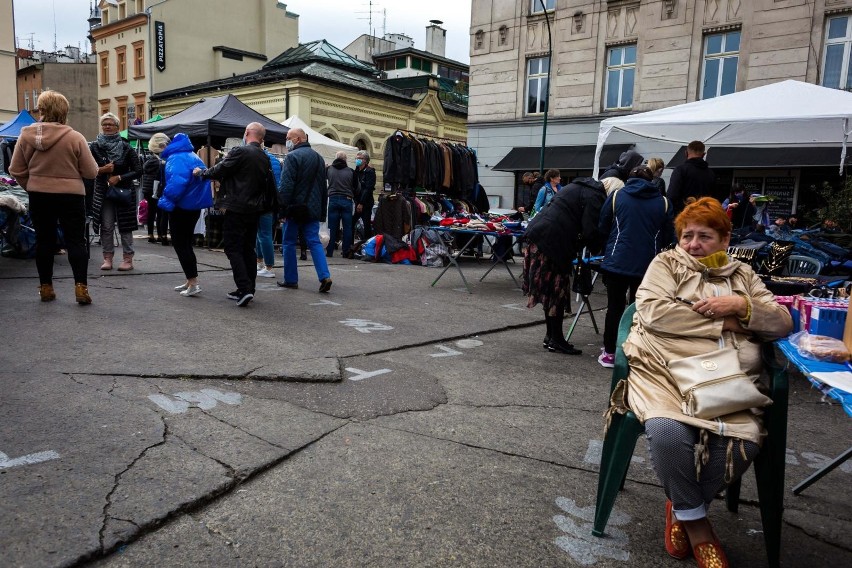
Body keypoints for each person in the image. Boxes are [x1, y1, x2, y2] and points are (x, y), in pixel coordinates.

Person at [608, 197, 792, 567]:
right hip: (665, 372)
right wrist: (724, 321)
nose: (693, 244)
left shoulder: (744, 276)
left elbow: (782, 322)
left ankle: (681, 508)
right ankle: (698, 527)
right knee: (666, 431)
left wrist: (742, 306)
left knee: (742, 441)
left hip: (729, 381)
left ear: (725, 239)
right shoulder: (667, 263)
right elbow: (654, 312)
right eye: (686, 235)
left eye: (704, 236)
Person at [8, 90, 99, 304]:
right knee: (76, 241)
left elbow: (16, 169)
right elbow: (91, 172)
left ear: (41, 110)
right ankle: (80, 288)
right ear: (64, 111)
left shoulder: (25, 136)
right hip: (71, 196)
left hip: (40, 195)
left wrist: (31, 185)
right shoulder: (75, 137)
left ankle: (46, 288)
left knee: (44, 242)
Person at [597, 165, 673, 368]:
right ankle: (635, 351)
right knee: (640, 309)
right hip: (648, 264)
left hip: (617, 261)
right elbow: (669, 235)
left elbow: (603, 226)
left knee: (614, 308)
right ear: (652, 180)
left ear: (629, 178)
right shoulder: (663, 202)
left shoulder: (616, 196)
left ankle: (610, 353)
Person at [194, 122, 275, 307]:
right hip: (254, 209)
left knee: (233, 248)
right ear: (262, 138)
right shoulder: (264, 156)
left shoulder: (241, 151)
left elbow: (220, 169)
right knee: (248, 248)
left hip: (237, 207)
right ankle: (248, 289)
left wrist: (201, 173)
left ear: (246, 133)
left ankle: (244, 288)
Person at [522, 176, 606, 355]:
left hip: (538, 236)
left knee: (549, 291)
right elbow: (590, 230)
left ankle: (550, 336)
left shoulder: (576, 187)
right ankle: (557, 339)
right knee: (557, 291)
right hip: (552, 242)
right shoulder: (595, 196)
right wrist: (601, 248)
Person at [157, 133, 213, 297]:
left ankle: (193, 282)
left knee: (181, 244)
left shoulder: (176, 158)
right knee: (186, 244)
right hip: (193, 205)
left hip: (182, 205)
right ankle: (190, 280)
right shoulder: (192, 155)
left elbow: (177, 183)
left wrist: (165, 201)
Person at [277, 127, 332, 293]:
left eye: (288, 138)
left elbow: (286, 187)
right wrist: (322, 212)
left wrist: (282, 211)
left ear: (298, 139)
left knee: (288, 243)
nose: (287, 141)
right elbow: (323, 188)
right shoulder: (318, 158)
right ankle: (325, 276)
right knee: (314, 242)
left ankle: (291, 279)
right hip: (312, 209)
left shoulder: (292, 157)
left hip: (295, 209)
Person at [90, 112, 143, 271]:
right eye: (104, 124)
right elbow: (86, 169)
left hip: (124, 191)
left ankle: (128, 259)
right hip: (103, 192)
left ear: (117, 127)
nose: (107, 127)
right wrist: (101, 170)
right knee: (106, 226)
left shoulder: (126, 146)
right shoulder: (95, 146)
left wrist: (119, 177)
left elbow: (139, 170)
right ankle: (107, 258)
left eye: (110, 124)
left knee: (125, 226)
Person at [667, 140, 716, 216]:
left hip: (684, 216)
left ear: (686, 153)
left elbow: (671, 196)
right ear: (703, 154)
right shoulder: (711, 173)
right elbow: (713, 198)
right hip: (704, 216)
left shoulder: (680, 170)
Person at [256, 146, 282, 278]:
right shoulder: (276, 161)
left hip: (262, 200)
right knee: (263, 233)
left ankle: (268, 266)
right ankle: (261, 263)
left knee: (263, 234)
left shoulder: (258, 159)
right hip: (272, 201)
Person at [325, 150, 357, 258]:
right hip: (346, 200)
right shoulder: (351, 171)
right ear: (345, 159)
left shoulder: (328, 169)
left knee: (332, 227)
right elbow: (357, 187)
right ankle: (346, 251)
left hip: (333, 199)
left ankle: (329, 251)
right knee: (347, 227)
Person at [141, 133, 171, 245]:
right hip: (157, 189)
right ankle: (161, 235)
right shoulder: (160, 161)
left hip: (147, 189)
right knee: (161, 212)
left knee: (151, 212)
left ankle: (150, 234)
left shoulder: (149, 161)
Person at [353, 150, 376, 243]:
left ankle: (367, 245)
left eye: (359, 158)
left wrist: (361, 203)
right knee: (351, 224)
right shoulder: (356, 171)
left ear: (365, 160)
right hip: (356, 201)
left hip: (365, 203)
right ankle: (351, 247)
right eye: (356, 158)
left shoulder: (370, 172)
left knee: (366, 225)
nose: (357, 160)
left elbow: (368, 188)